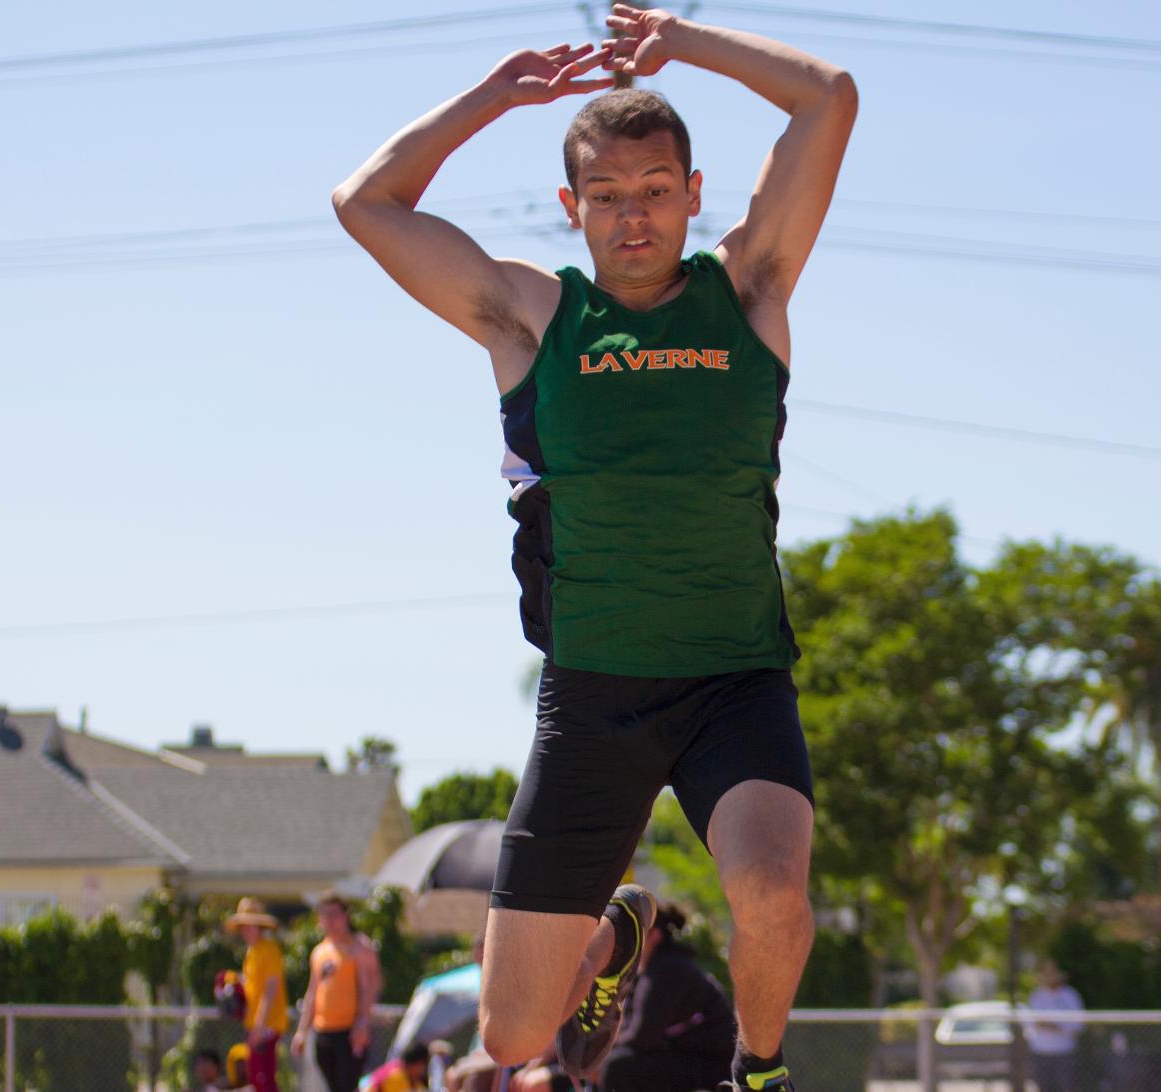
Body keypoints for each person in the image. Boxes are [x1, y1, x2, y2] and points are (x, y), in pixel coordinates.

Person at [333, 5, 855, 1088]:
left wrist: (683, 43)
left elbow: (827, 98)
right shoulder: (531, 317)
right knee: (513, 1039)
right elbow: (364, 204)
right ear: (571, 208)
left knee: (771, 893)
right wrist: (494, 94)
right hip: (591, 698)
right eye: (607, 197)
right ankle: (621, 926)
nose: (633, 217)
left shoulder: (748, 287)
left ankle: (755, 1071)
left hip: (734, 680)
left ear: (692, 194)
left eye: (656, 191)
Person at [600, 904, 736, 1091]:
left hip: (715, 1066)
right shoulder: (651, 969)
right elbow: (629, 1028)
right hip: (689, 1056)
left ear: (654, 935)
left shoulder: (667, 969)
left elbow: (642, 1036)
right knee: (612, 1062)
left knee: (617, 1065)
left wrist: (601, 1053)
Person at [293, 893, 384, 1092]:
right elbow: (312, 993)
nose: (330, 920)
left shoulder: (359, 947)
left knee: (347, 1085)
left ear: (345, 916)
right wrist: (302, 1031)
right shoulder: (319, 952)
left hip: (349, 1031)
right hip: (323, 1031)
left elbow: (369, 988)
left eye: (335, 914)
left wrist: (362, 1023)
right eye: (325, 915)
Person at [226, 898, 288, 1092]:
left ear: (259, 925)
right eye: (242, 925)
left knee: (265, 1077)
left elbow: (271, 988)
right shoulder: (251, 952)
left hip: (266, 1024)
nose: (245, 929)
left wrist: (260, 1026)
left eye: (249, 924)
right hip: (254, 1022)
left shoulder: (268, 949)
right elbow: (252, 986)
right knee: (256, 1076)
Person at [1026, 960, 1086, 1092]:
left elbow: (1078, 1025)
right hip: (1040, 1051)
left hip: (1064, 1052)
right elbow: (1031, 1023)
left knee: (1066, 1087)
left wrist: (1057, 1026)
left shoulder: (1070, 995)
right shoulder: (1036, 996)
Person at [367, 1042, 433, 1092]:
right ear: (417, 1063)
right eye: (423, 1064)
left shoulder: (410, 1077)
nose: (423, 1070)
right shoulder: (396, 1076)